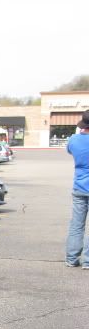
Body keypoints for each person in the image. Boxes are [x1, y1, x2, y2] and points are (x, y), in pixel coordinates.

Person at [66, 110, 89, 268]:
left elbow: (69, 150)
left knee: (76, 225)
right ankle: (88, 261)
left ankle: (72, 259)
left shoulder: (74, 139)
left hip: (79, 187)